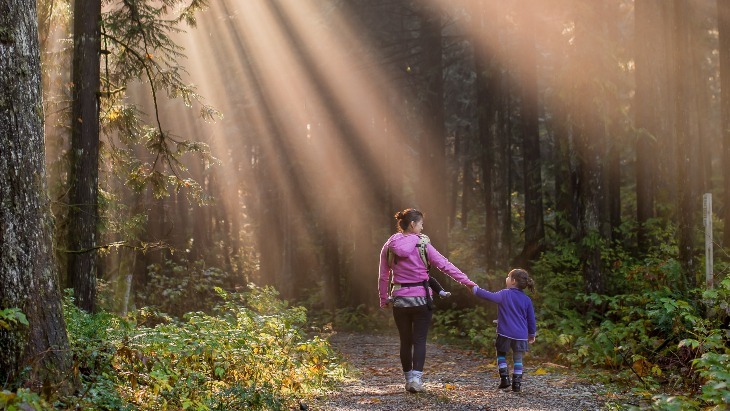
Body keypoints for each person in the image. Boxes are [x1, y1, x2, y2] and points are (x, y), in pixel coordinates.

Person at [379, 208, 477, 393]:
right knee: (420, 340)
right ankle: (416, 380)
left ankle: (408, 380)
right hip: (422, 299)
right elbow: (445, 265)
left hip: (400, 299)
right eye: (421, 224)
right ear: (413, 224)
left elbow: (383, 276)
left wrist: (384, 298)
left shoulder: (389, 245)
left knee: (405, 341)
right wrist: (467, 282)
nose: (423, 228)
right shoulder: (423, 244)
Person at [472, 268, 536, 392]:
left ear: (513, 281)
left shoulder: (504, 294)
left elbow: (489, 296)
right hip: (521, 335)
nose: (506, 279)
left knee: (501, 354)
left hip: (505, 333)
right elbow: (531, 319)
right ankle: (517, 384)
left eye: (508, 276)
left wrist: (475, 289)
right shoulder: (527, 300)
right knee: (518, 358)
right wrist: (531, 334)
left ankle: (505, 378)